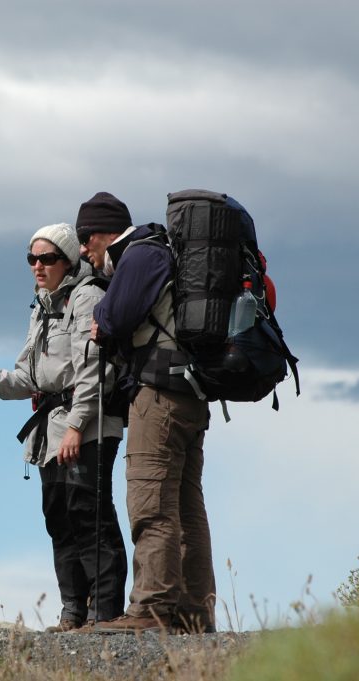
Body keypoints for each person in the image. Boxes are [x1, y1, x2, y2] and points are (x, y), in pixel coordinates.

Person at [0, 222, 127, 632]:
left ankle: (104, 613)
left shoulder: (87, 297)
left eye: (47, 258)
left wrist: (76, 427)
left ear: (68, 260)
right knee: (59, 516)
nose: (38, 266)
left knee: (89, 514)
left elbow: (93, 371)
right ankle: (73, 611)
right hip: (51, 431)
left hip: (86, 426)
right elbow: (30, 377)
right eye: (32, 259)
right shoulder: (41, 305)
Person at [76, 191, 217, 634]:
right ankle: (194, 613)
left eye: (86, 238)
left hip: (158, 396)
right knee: (185, 506)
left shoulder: (138, 256)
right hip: (190, 395)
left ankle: (150, 612)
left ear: (105, 233)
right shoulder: (162, 252)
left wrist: (103, 313)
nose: (83, 250)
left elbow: (112, 320)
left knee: (150, 503)